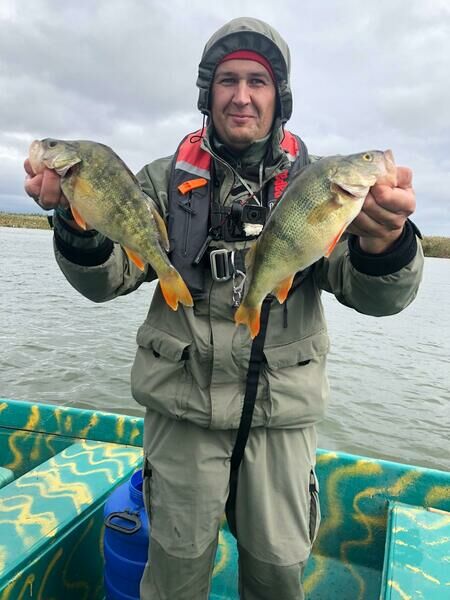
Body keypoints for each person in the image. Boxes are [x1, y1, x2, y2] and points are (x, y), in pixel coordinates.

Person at [24, 17, 423, 600]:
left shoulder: (322, 183)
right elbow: (110, 278)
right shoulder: (162, 181)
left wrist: (385, 244)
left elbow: (374, 296)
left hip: (281, 422)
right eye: (227, 80)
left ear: (279, 96)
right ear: (207, 93)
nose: (241, 96)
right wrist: (77, 224)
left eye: (257, 82)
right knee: (174, 576)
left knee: (278, 576)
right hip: (182, 416)